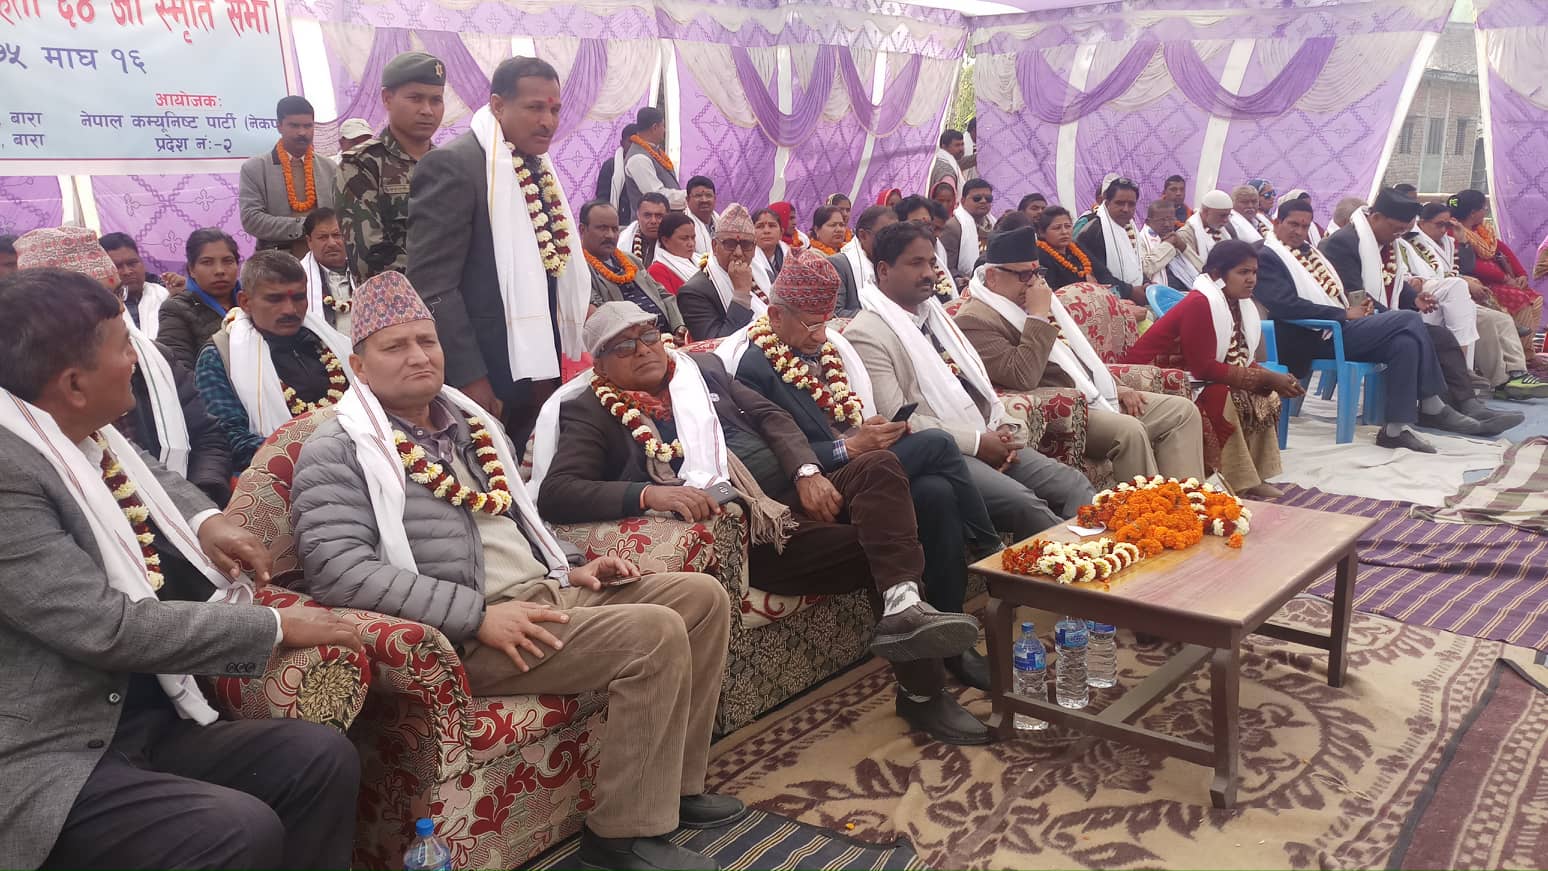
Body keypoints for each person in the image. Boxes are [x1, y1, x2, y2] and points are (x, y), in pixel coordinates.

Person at [289, 277, 741, 871]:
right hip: (468, 631)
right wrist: (477, 615)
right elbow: (340, 572)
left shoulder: (468, 422)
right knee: (652, 634)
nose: (418, 356)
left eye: (426, 341)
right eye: (395, 346)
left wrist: (574, 565)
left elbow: (517, 516)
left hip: (542, 592)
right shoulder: (339, 448)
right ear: (359, 366)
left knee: (702, 597)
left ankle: (675, 788)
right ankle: (621, 836)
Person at [0, 267, 362, 871]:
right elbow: (106, 627)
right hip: (54, 749)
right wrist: (274, 628)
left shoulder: (71, 428)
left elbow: (145, 469)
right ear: (74, 385)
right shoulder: (9, 471)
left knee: (318, 758)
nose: (136, 360)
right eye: (124, 348)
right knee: (235, 830)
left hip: (145, 719)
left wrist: (206, 520)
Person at [530, 301, 986, 743]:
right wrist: (649, 493)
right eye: (624, 346)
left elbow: (771, 417)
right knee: (885, 550)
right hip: (760, 531)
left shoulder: (701, 369)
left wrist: (806, 472)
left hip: (793, 491)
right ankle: (922, 693)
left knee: (882, 467)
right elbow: (558, 491)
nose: (644, 349)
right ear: (600, 364)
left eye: (649, 335)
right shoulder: (591, 410)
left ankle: (904, 604)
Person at [718, 250, 1005, 709]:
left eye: (825, 323)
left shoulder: (824, 348)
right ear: (775, 316)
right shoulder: (753, 368)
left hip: (860, 469)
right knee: (935, 445)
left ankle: (947, 640)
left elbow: (837, 420)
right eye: (811, 325)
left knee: (935, 493)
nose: (821, 335)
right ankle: (990, 552)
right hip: (815, 486)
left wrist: (862, 431)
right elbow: (775, 458)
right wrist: (848, 447)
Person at [845, 222, 1095, 540]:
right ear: (883, 269)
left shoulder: (935, 317)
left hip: (984, 433)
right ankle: (1079, 563)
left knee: (1074, 484)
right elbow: (897, 419)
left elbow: (974, 387)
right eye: (916, 263)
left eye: (931, 263)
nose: (929, 273)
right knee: (1025, 505)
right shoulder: (867, 333)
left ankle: (1106, 558)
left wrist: (999, 429)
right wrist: (977, 442)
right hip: (943, 453)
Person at [407, 56, 590, 447]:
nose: (548, 121)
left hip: (539, 366)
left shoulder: (536, 165)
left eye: (555, 110)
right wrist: (471, 376)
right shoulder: (454, 165)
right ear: (498, 105)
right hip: (486, 369)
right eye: (534, 107)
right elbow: (432, 286)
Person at [1256, 197, 1510, 453]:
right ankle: (1433, 406)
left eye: (1305, 226)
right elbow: (1284, 305)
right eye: (1293, 224)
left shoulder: (1310, 253)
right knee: (1408, 320)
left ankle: (1395, 430)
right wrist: (1343, 314)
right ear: (1277, 223)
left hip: (1337, 329)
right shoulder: (1267, 256)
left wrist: (1367, 309)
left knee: (1405, 342)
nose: (1300, 231)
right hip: (1311, 336)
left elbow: (1346, 290)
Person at [955, 226, 1205, 483]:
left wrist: (1115, 386)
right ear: (993, 276)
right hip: (1059, 411)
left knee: (1182, 412)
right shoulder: (974, 320)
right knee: (1129, 431)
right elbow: (1022, 376)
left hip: (1092, 395)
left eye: (1037, 272)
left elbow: (1077, 357)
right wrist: (1038, 317)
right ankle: (1145, 506)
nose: (1033, 282)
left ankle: (1186, 500)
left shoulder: (1029, 300)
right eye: (1023, 275)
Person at [17, 227, 233, 506]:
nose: (118, 308)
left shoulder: (156, 357)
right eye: (96, 300)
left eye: (117, 292)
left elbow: (207, 436)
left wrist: (200, 504)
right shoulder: (23, 386)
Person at [1320, 189, 1517, 432]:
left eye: (1403, 230)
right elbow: (1356, 295)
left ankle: (1465, 403)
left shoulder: (1384, 242)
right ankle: (1434, 409)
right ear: (1377, 217)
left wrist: (1414, 298)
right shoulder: (1344, 243)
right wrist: (1394, 317)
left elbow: (1391, 279)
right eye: (1396, 229)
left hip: (1377, 323)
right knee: (1410, 323)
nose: (1398, 235)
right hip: (1347, 327)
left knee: (1440, 337)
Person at [1125, 241, 1303, 497]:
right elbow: (1204, 368)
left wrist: (1270, 379)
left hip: (1192, 376)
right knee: (1223, 394)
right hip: (1155, 377)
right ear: (1218, 274)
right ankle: (1236, 479)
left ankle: (1256, 475)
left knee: (1263, 392)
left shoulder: (1236, 303)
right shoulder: (1201, 303)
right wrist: (1265, 376)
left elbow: (1237, 357)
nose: (1251, 279)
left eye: (1254, 272)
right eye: (1243, 272)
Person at [194, 251, 357, 471]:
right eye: (275, 299)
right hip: (278, 476)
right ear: (245, 302)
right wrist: (325, 454)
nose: (290, 310)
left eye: (298, 297)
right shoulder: (220, 356)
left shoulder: (329, 342)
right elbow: (231, 440)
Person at [1405, 202, 1545, 399]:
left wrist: (1462, 241)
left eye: (1447, 225)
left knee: (1502, 319)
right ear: (1422, 222)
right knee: (1487, 319)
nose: (1444, 229)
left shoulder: (1447, 241)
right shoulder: (1409, 242)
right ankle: (1501, 381)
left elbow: (1465, 266)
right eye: (1439, 224)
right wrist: (1467, 280)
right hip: (1433, 299)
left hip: (1456, 292)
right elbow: (1419, 279)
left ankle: (1517, 373)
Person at [336, 51, 447, 281]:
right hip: (398, 298)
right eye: (415, 98)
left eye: (436, 100)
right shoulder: (361, 164)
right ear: (387, 98)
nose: (427, 110)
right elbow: (369, 256)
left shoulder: (449, 165)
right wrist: (441, 280)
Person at [1449, 189, 1543, 364]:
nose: (1485, 212)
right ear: (1473, 212)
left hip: (1498, 280)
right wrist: (1505, 278)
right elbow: (1471, 266)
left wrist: (1521, 273)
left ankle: (1526, 352)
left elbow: (1502, 249)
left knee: (1536, 300)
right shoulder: (1454, 231)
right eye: (1483, 208)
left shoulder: (1480, 230)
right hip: (1480, 282)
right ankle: (1519, 356)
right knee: (1522, 300)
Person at [239, 96, 337, 256]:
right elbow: (251, 220)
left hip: (325, 259)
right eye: (294, 126)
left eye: (308, 126)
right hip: (277, 261)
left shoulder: (329, 167)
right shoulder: (255, 168)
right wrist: (306, 226)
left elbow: (342, 214)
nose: (302, 132)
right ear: (279, 126)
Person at [580, 200, 686, 340]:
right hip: (630, 343)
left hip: (668, 338)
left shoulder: (630, 259)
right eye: (602, 228)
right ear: (582, 229)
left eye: (615, 229)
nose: (610, 235)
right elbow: (600, 316)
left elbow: (663, 295)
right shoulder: (579, 269)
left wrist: (679, 326)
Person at [676, 204, 766, 339]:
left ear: (754, 249)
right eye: (729, 244)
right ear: (714, 246)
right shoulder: (693, 293)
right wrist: (741, 294)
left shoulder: (762, 275)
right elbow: (716, 343)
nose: (738, 253)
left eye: (746, 245)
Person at [158, 228, 242, 370]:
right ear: (191, 269)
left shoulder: (253, 300)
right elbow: (179, 370)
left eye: (228, 261)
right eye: (207, 262)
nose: (219, 270)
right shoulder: (176, 309)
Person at [1075, 176, 1148, 305]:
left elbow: (1134, 266)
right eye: (1119, 203)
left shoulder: (1130, 228)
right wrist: (1129, 292)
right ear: (1107, 203)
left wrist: (1146, 283)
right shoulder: (1094, 230)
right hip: (1104, 302)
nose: (1125, 209)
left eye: (1131, 204)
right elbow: (1100, 275)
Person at [831, 205, 899, 318]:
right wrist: (885, 317)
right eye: (885, 235)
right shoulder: (840, 265)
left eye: (896, 236)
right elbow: (835, 314)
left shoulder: (897, 265)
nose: (892, 242)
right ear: (863, 235)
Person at [100, 232, 171, 338]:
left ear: (142, 262)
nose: (127, 272)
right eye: (117, 267)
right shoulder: (100, 310)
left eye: (132, 263)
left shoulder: (164, 295)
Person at [299, 207, 355, 336]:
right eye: (323, 237)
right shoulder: (296, 278)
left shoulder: (366, 270)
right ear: (309, 241)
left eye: (337, 235)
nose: (332, 243)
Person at [896, 195, 958, 302]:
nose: (924, 230)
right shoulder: (896, 260)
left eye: (928, 225)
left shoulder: (938, 250)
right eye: (917, 224)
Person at [1168, 189, 1235, 288]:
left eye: (1228, 215)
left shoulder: (1225, 231)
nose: (1226, 220)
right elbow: (1191, 269)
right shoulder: (1186, 234)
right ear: (1206, 212)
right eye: (1222, 216)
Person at [622, 107, 681, 221]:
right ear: (655, 127)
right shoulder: (638, 158)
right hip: (650, 225)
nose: (664, 130)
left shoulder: (654, 151)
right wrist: (688, 197)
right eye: (663, 126)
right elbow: (657, 196)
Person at [1034, 207, 1101, 291]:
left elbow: (1103, 273)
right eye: (1057, 228)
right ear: (1041, 232)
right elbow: (1050, 290)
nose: (1064, 232)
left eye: (1068, 226)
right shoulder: (1040, 256)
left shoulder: (1076, 248)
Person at [943, 179, 994, 284]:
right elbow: (946, 266)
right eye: (977, 198)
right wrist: (960, 279)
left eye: (988, 199)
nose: (983, 201)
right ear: (963, 201)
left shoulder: (995, 225)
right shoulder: (953, 227)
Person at [1138, 198, 1190, 289]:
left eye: (1171, 220)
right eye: (1161, 220)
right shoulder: (1140, 240)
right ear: (1148, 222)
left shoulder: (1176, 237)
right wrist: (1168, 245)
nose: (1167, 224)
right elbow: (1145, 268)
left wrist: (1182, 246)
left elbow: (1198, 269)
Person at [648, 212, 704, 297]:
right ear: (665, 241)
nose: (691, 244)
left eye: (693, 238)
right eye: (684, 238)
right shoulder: (658, 271)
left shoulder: (701, 259)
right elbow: (670, 303)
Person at [596, 122, 640, 217]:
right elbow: (602, 199)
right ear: (622, 143)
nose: (634, 146)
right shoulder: (610, 166)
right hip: (617, 219)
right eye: (630, 141)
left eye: (637, 142)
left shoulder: (646, 164)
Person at [617, 190, 669, 267]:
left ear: (668, 216)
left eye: (659, 216)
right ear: (638, 215)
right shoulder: (619, 238)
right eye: (647, 215)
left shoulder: (677, 243)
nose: (653, 221)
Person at [750, 206, 786, 290]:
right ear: (751, 233)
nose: (766, 231)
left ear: (781, 233)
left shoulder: (791, 259)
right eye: (760, 226)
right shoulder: (746, 262)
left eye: (772, 226)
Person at [685, 176, 718, 254]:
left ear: (715, 198)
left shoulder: (722, 223)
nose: (704, 200)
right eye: (698, 196)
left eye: (708, 195)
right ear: (687, 199)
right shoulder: (681, 226)